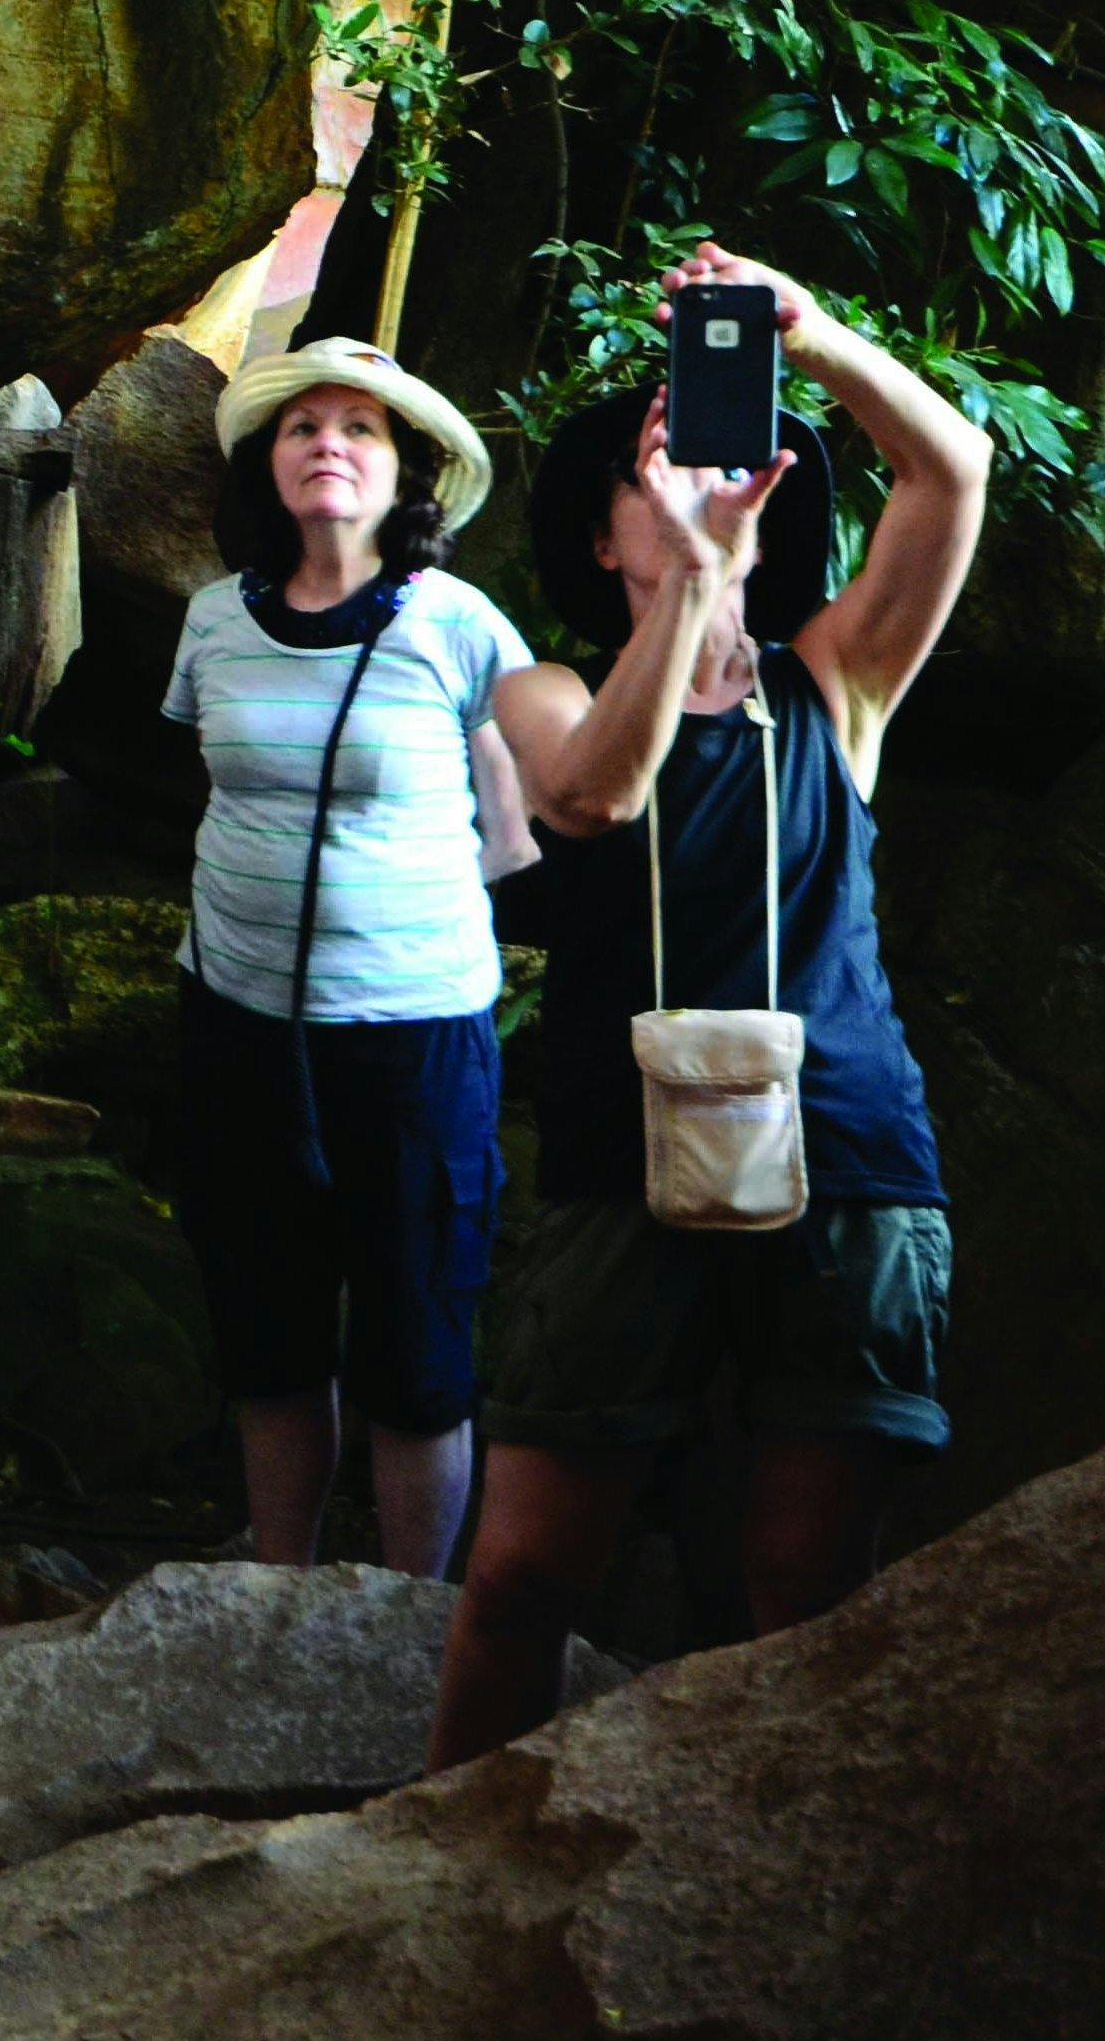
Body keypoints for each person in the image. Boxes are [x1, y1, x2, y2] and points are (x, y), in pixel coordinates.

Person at [426, 245, 990, 1769]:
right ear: (603, 533)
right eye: (653, 464)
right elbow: (596, 794)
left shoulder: (838, 684)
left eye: (716, 450)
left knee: (806, 1579)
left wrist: (813, 338)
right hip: (626, 1164)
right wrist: (690, 586)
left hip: (848, 1155)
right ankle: (424, 1866)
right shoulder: (545, 690)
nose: (691, 473)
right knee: (527, 1569)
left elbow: (954, 471)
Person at [164, 337, 537, 1578]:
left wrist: (410, 912)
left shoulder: (459, 624)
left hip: (414, 1030)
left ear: (405, 475)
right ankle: (281, 1585)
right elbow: (211, 785)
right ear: (266, 466)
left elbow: (524, 817)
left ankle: (408, 1617)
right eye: (300, 426)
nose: (328, 442)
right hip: (233, 1020)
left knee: (415, 1340)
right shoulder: (215, 618)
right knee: (267, 1326)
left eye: (361, 429)